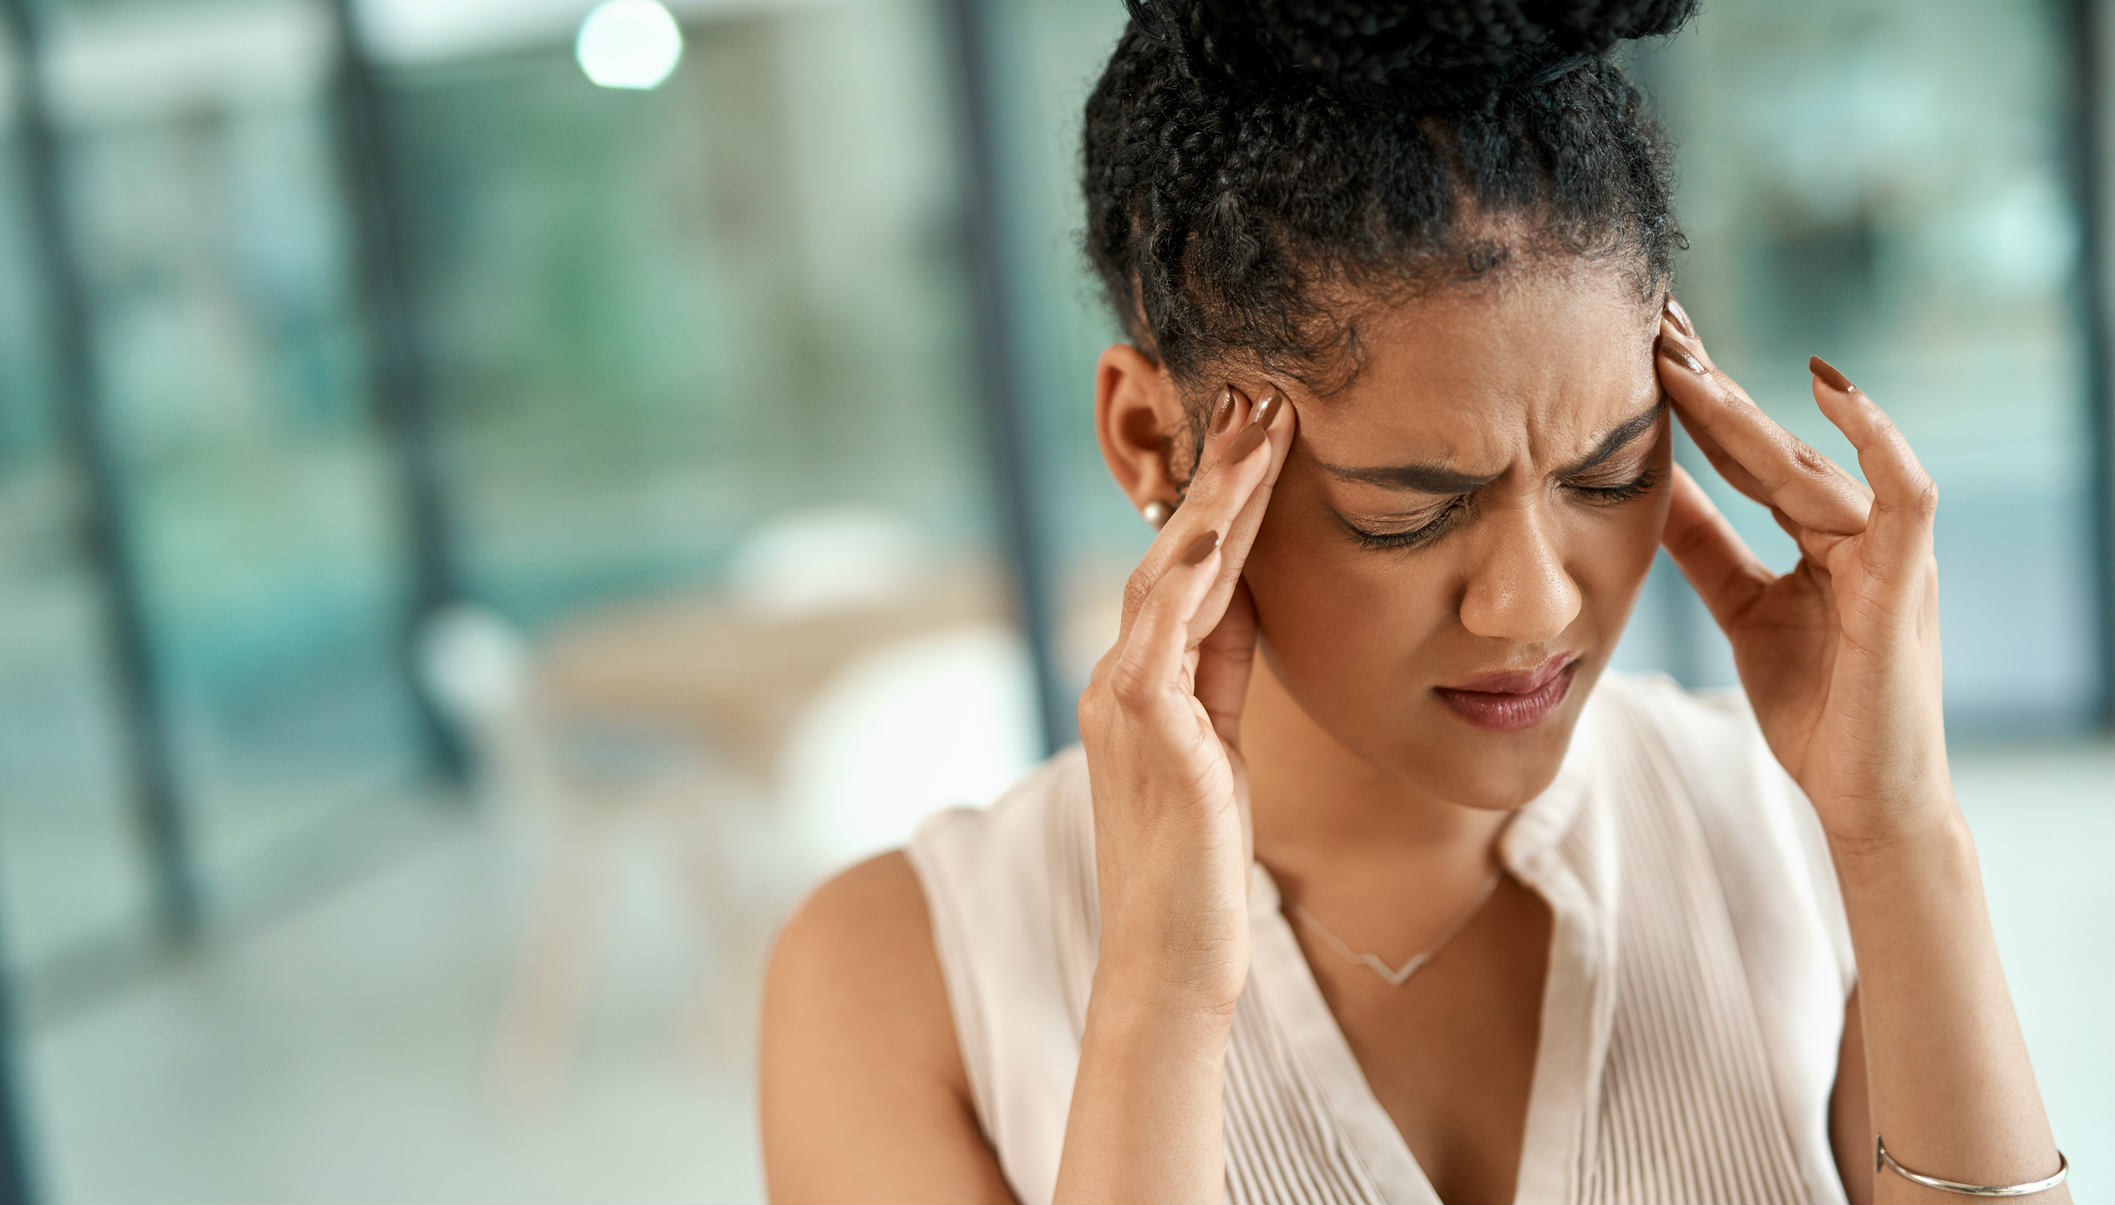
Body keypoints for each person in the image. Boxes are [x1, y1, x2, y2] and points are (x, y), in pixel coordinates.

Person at [758, 2, 2071, 1202]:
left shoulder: (1788, 832)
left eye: (1608, 472)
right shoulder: (895, 978)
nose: (1532, 603)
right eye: (1411, 505)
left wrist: (1902, 834)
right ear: (1155, 441)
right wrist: (1161, 992)